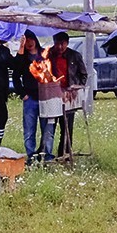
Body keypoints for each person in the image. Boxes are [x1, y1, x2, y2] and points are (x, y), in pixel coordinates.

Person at [45, 31, 87, 160]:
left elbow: (83, 74)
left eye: (62, 44)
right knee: (49, 126)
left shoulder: (75, 56)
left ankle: (65, 154)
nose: (59, 47)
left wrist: (76, 87)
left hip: (69, 96)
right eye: (57, 43)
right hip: (52, 95)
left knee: (67, 127)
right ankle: (47, 154)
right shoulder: (47, 55)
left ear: (67, 43)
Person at [13, 30, 46, 162]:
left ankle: (44, 153)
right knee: (29, 129)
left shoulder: (44, 54)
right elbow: (15, 76)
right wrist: (22, 94)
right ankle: (31, 156)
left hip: (45, 97)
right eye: (25, 40)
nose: (29, 43)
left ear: (35, 39)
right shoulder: (23, 57)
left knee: (47, 129)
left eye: (31, 39)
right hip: (30, 98)